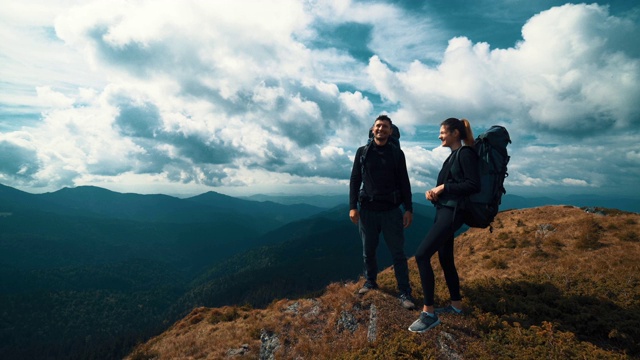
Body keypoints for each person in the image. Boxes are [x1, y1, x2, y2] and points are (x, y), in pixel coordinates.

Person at [408, 117, 480, 333]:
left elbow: (472, 184)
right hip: (445, 211)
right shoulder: (454, 156)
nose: (440, 136)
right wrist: (435, 193)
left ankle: (429, 313)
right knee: (445, 258)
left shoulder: (465, 153)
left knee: (421, 256)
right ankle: (456, 306)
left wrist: (443, 188)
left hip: (453, 213)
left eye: (443, 132)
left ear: (455, 133)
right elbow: (453, 185)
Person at [349, 114, 415, 310]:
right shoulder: (362, 152)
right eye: (378, 126)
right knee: (368, 251)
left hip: (391, 211)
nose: (381, 129)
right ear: (372, 129)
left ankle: (404, 291)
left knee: (398, 253)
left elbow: (404, 182)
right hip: (367, 210)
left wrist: (408, 208)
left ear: (391, 131)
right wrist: (352, 206)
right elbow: (355, 179)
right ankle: (370, 282)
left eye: (385, 127)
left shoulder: (396, 154)